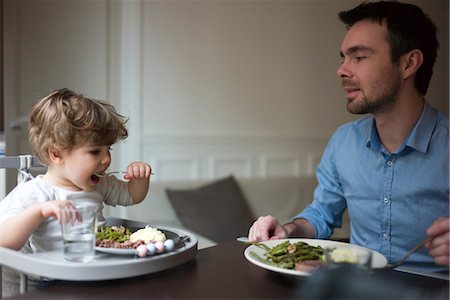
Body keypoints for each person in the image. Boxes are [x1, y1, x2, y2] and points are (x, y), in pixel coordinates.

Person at [248, 1, 449, 270]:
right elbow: (320, 215)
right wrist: (287, 230)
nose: (342, 70)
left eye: (359, 57)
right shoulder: (343, 142)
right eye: (343, 57)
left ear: (408, 63)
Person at [0, 88, 153, 296]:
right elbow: (3, 240)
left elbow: (132, 195)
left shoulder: (99, 185)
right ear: (56, 154)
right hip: (48, 284)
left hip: (92, 275)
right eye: (94, 151)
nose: (106, 159)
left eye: (108, 149)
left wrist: (140, 178)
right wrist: (38, 212)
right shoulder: (35, 193)